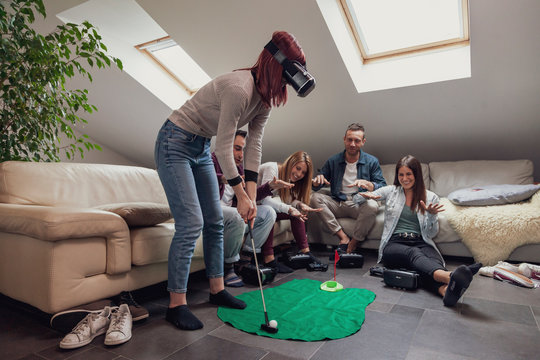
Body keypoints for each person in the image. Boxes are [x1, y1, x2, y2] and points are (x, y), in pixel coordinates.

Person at [154, 31, 312, 330]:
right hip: (174, 141)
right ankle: (176, 304)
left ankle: (217, 290)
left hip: (200, 146)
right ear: (276, 65)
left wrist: (250, 197)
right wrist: (239, 193)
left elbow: (254, 147)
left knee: (214, 221)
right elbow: (225, 148)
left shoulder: (264, 100)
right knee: (191, 222)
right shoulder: (239, 88)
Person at [354, 155, 481, 306]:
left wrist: (432, 216)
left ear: (416, 174)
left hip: (421, 241)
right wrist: (366, 191)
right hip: (394, 244)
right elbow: (356, 200)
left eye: (408, 174)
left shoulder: (431, 197)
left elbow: (431, 234)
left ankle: (445, 291)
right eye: (401, 174)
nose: (404, 178)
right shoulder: (391, 191)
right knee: (415, 255)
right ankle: (450, 276)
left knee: (432, 262)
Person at [211, 129, 278, 287]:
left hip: (231, 213)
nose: (241, 155)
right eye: (237, 148)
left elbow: (249, 196)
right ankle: (228, 268)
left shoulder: (239, 168)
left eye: (243, 149)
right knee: (236, 215)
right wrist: (223, 179)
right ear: (225, 145)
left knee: (269, 213)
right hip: (211, 211)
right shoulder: (211, 160)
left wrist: (270, 186)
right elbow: (201, 178)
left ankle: (245, 260)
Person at [310, 123, 387, 254]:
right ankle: (343, 238)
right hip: (338, 202)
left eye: (357, 141)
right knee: (314, 198)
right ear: (344, 139)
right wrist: (316, 183)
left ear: (363, 142)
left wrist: (370, 185)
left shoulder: (371, 161)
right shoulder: (333, 160)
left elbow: (383, 187)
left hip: (359, 203)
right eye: (349, 139)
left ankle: (354, 243)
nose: (352, 144)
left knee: (372, 206)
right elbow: (319, 182)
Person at [258, 151, 324, 269]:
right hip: (251, 206)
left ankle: (305, 252)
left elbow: (287, 198)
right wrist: (289, 209)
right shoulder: (271, 169)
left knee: (296, 214)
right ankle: (268, 259)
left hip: (261, 206)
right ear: (290, 163)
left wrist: (299, 205)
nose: (299, 174)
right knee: (270, 211)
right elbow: (264, 200)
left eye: (303, 172)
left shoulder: (287, 177)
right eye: (298, 168)